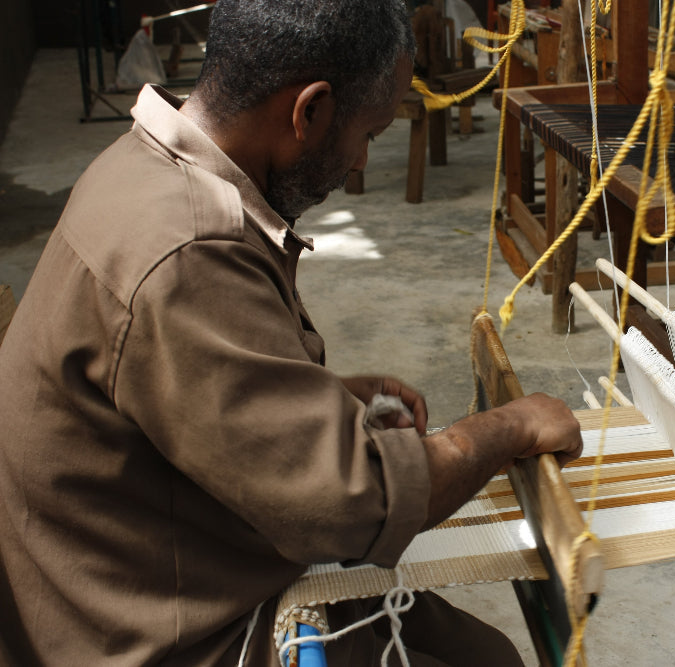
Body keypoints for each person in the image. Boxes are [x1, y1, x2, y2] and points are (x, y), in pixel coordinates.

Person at [0, 1, 583, 664]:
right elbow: (357, 502)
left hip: (140, 563)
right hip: (143, 633)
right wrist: (512, 428)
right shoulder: (187, 247)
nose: (361, 162)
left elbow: (169, 382)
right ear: (309, 111)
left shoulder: (140, 165)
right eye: (369, 132)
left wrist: (309, 395)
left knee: (482, 652)